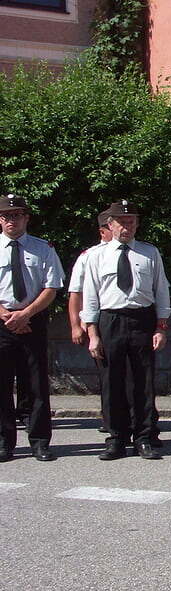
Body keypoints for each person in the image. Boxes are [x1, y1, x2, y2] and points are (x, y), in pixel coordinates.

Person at [82, 200, 171, 460]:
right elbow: (90, 296)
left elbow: (161, 290)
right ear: (110, 225)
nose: (126, 226)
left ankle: (144, 438)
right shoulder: (96, 256)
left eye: (131, 221)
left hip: (142, 319)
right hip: (110, 320)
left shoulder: (149, 253)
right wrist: (92, 334)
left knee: (143, 381)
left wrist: (161, 327)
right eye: (121, 222)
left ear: (137, 224)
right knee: (112, 381)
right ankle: (116, 438)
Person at [0, 194, 64, 463]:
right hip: (2, 321)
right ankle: (4, 443)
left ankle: (39, 442)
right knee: (2, 385)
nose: (11, 220)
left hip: (32, 321)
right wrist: (5, 315)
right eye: (6, 216)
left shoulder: (43, 248)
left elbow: (52, 287)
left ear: (26, 218)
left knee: (36, 384)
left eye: (16, 215)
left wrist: (26, 314)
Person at [66, 209, 114, 436]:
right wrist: (76, 325)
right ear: (103, 231)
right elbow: (76, 293)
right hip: (99, 320)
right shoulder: (89, 256)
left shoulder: (137, 251)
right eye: (111, 227)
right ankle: (111, 419)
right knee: (108, 374)